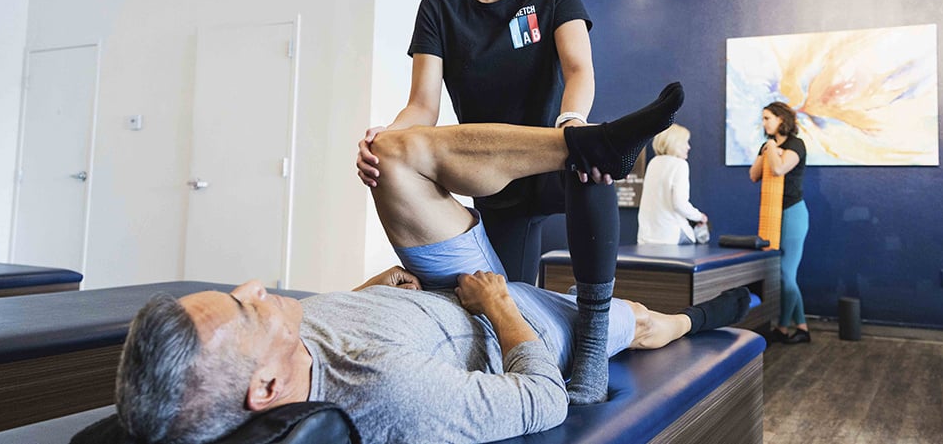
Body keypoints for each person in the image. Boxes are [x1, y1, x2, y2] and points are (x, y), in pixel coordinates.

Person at [117, 85, 750, 444]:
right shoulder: (388, 397)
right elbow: (540, 402)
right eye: (243, 307)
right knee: (640, 323)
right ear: (266, 390)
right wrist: (499, 305)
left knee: (391, 153)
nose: (253, 286)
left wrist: (376, 287)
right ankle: (701, 317)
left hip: (445, 287)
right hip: (492, 309)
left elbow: (338, 321)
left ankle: (586, 142)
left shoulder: (283, 344)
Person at [355, 0, 630, 403]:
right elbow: (422, 106)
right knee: (509, 309)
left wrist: (571, 123)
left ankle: (595, 340)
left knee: (592, 160)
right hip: (493, 179)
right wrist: (383, 138)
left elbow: (578, 70)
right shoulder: (440, 6)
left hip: (552, 160)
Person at [748, 101, 809, 344]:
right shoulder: (767, 146)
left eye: (767, 118)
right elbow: (754, 175)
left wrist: (771, 147)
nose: (763, 123)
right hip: (772, 214)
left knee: (786, 273)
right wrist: (767, 148)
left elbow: (780, 168)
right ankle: (802, 327)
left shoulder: (796, 144)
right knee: (779, 272)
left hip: (793, 213)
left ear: (781, 119)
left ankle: (784, 327)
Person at [637, 123, 708, 245]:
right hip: (669, 237)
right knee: (702, 237)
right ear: (674, 143)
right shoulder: (680, 165)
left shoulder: (653, 163)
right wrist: (700, 217)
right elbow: (680, 204)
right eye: (685, 142)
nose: (688, 147)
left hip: (646, 237)